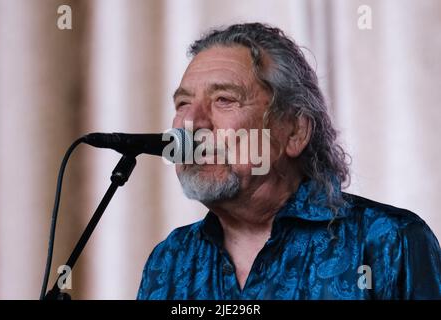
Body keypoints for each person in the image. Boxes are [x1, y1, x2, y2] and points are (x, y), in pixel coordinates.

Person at [137, 23, 441, 299]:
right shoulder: (170, 259)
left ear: (295, 131)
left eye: (224, 100)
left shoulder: (389, 242)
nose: (191, 123)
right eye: (183, 104)